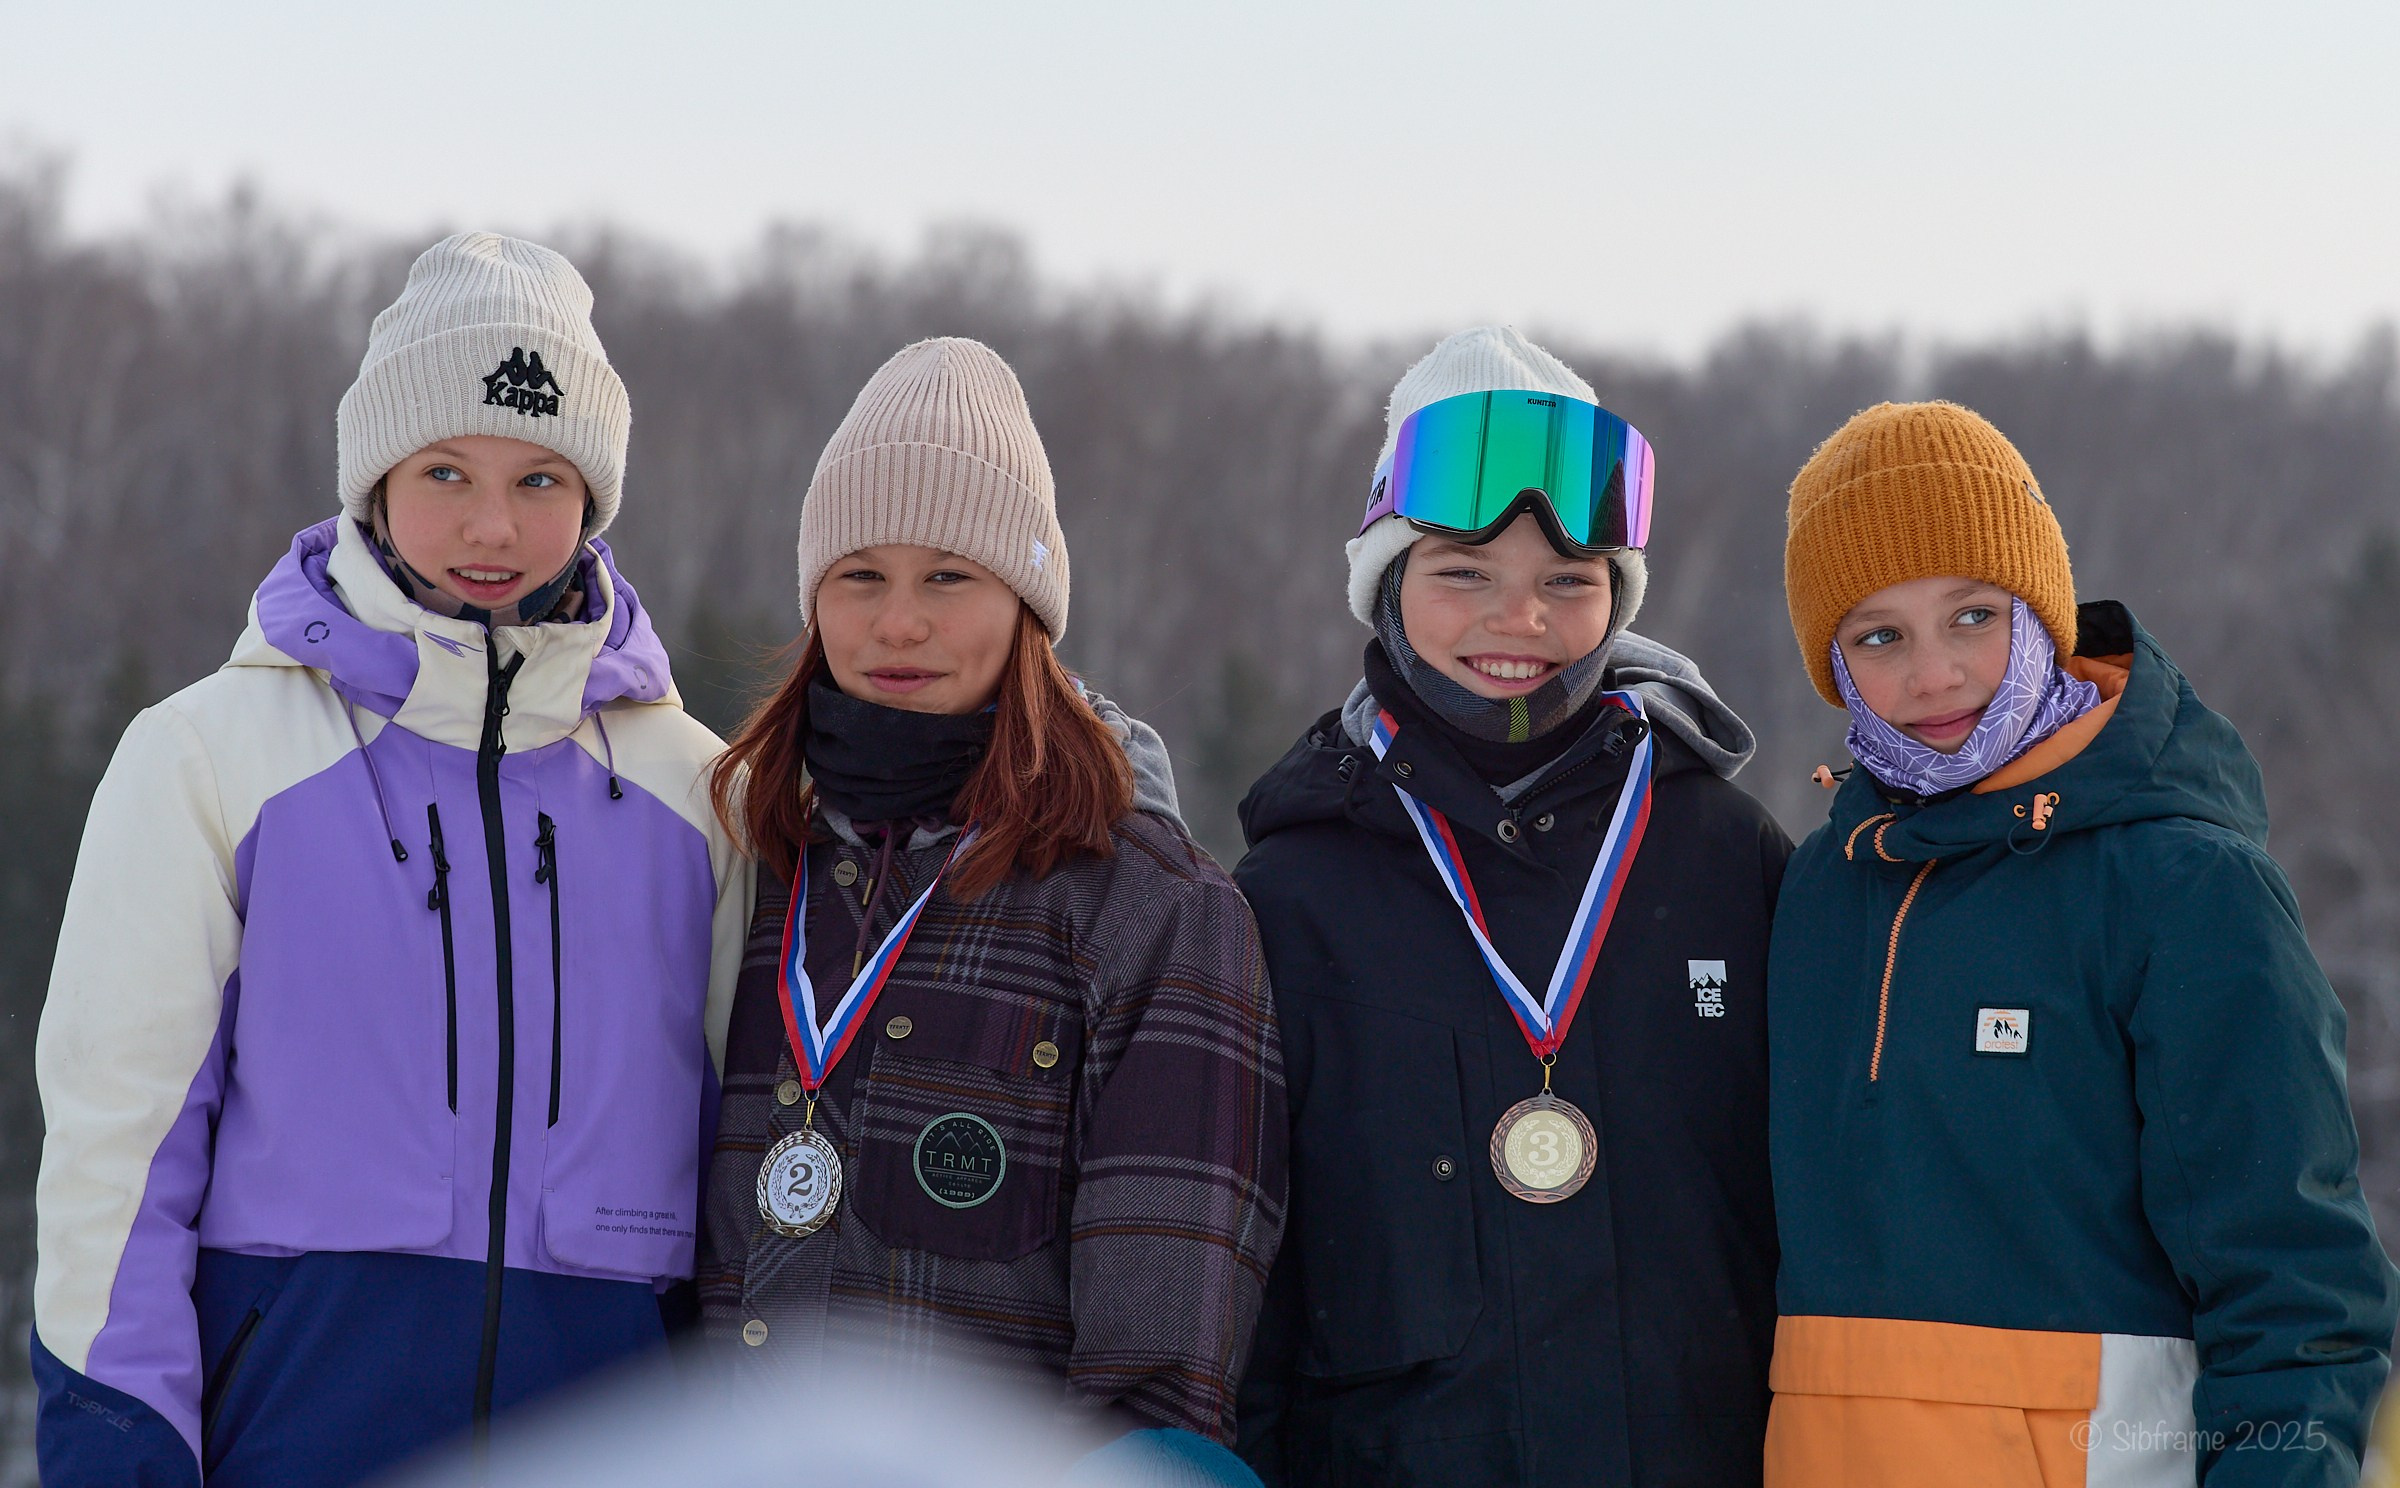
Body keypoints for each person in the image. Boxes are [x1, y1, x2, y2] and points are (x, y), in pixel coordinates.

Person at [31, 234, 752, 1487]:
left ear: (593, 496)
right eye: (445, 471)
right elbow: (117, 1154)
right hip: (297, 1436)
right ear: (374, 482)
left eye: (540, 478)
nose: (492, 524)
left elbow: (749, 1165)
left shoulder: (699, 792)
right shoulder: (212, 756)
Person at [1766, 400, 2399, 1486]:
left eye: (1971, 615)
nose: (1933, 674)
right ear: (1834, 661)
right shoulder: (1819, 886)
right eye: (1879, 635)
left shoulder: (2183, 885)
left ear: (2039, 611)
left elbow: (2299, 1300)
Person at [698, 336, 1284, 1485]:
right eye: (860, 575)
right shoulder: (747, 872)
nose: (899, 622)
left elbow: (1157, 1387)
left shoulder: (1150, 908)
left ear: (1028, 608)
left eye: (949, 577)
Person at [1234, 327, 1791, 1485]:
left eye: (1567, 582)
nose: (1518, 619)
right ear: (1387, 584)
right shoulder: (1289, 897)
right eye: (1463, 575)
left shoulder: (1729, 858)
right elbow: (1248, 1293)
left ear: (1618, 597)